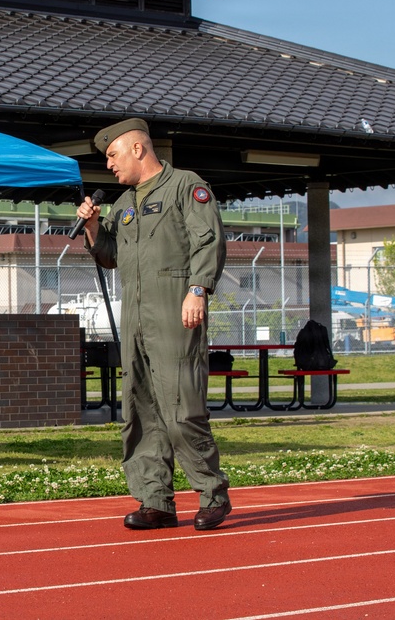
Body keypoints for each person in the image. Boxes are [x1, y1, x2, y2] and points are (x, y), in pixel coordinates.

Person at [76, 118, 231, 531]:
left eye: (112, 155)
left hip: (175, 309)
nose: (109, 165)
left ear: (138, 149)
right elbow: (109, 255)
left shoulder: (185, 186)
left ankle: (212, 492)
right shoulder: (123, 205)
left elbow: (209, 239)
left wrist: (198, 289)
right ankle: (155, 500)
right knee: (140, 409)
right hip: (136, 317)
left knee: (181, 406)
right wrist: (93, 228)